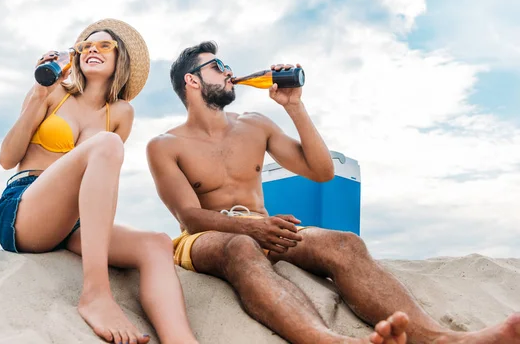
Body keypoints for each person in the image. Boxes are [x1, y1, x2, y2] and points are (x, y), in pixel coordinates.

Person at [146, 41, 520, 344]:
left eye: (226, 63)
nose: (228, 71)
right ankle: (329, 341)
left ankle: (442, 340)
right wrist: (251, 230)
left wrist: (295, 107)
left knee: (344, 243)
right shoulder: (165, 145)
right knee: (241, 247)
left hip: (266, 226)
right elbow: (189, 218)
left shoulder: (254, 124)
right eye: (216, 65)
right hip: (207, 237)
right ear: (192, 82)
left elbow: (322, 171)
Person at [0, 19, 198, 344]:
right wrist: (38, 94)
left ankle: (181, 340)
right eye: (86, 45)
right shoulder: (53, 93)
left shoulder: (121, 113)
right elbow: (7, 158)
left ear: (121, 59)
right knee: (106, 145)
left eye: (104, 45)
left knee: (157, 243)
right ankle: (96, 294)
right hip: (25, 207)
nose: (93, 49)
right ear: (75, 55)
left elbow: (100, 182)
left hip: (70, 224)